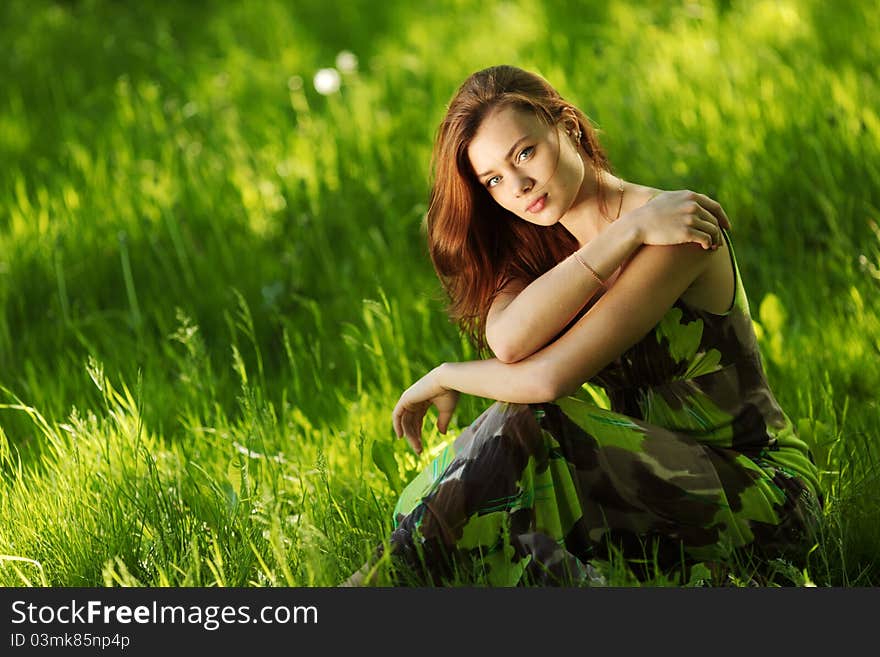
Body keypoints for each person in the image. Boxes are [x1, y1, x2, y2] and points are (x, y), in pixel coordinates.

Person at [342, 65, 822, 587]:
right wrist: (624, 234)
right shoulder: (542, 243)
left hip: (758, 495)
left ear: (567, 126)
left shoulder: (677, 227)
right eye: (494, 180)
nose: (519, 187)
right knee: (514, 526)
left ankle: (368, 593)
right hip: (643, 490)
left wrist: (445, 375)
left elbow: (548, 383)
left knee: (536, 421)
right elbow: (509, 341)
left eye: (525, 153)